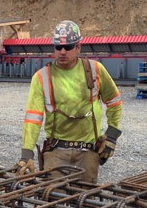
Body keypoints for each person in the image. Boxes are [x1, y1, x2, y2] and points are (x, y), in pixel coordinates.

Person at [16, 20, 123, 183]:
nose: (63, 51)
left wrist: (112, 136)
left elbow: (114, 101)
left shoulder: (95, 70)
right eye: (58, 47)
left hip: (88, 153)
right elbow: (33, 118)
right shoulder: (42, 77)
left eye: (69, 47)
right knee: (52, 200)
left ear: (78, 47)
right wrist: (26, 153)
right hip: (56, 152)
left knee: (85, 203)